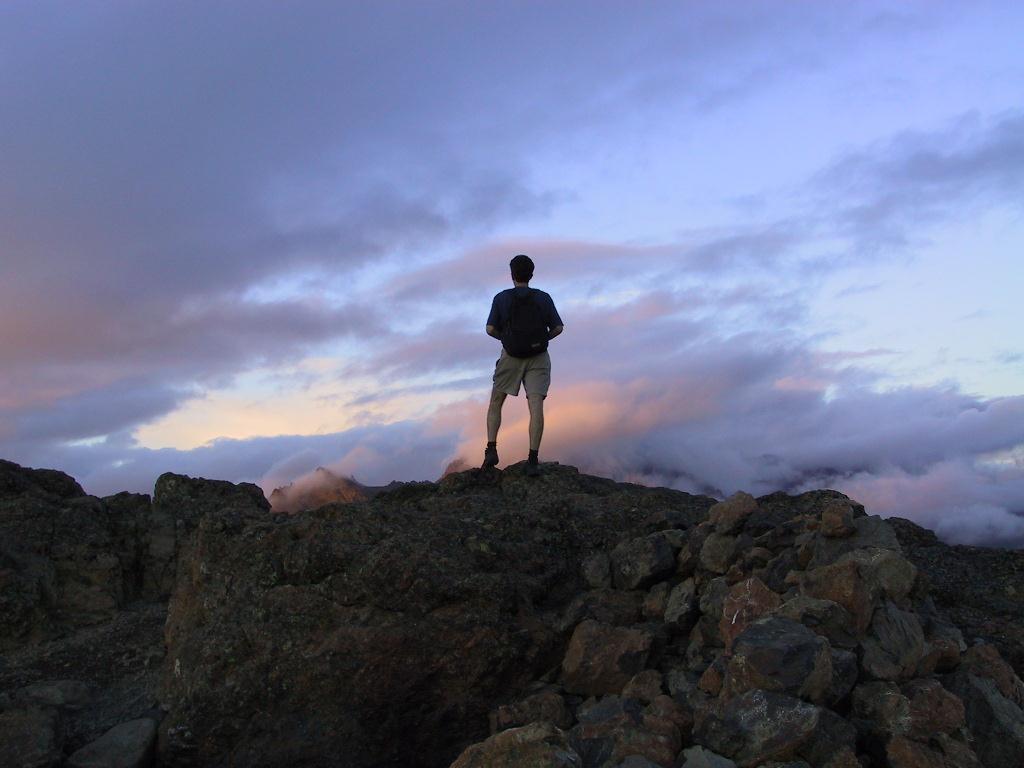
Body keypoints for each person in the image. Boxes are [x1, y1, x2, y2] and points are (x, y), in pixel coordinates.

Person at [483, 254, 563, 476]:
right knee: (536, 405)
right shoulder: (544, 298)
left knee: (496, 401)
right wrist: (542, 340)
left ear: (511, 275)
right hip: (539, 356)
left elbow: (490, 329)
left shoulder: (501, 298)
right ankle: (533, 459)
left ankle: (491, 449)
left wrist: (507, 340)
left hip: (510, 355)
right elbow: (558, 328)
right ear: (532, 274)